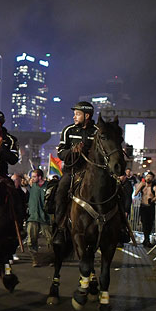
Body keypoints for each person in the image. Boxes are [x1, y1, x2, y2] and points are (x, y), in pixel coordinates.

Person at [52, 101, 97, 246]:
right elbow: (60, 152)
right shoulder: (68, 130)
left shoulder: (97, 131)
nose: (74, 116)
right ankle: (59, 228)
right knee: (60, 192)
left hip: (92, 173)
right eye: (74, 114)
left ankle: (120, 227)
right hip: (72, 171)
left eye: (77, 114)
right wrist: (72, 151)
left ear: (87, 115)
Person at [27, 168, 52, 254]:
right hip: (33, 217)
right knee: (31, 240)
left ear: (40, 177)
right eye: (32, 177)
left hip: (45, 217)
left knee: (50, 239)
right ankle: (36, 258)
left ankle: (52, 258)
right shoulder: (32, 185)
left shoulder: (48, 186)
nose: (32, 178)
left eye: (34, 177)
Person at [133, 171, 156, 247]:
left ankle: (147, 240)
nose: (148, 178)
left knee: (149, 224)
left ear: (153, 178)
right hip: (143, 206)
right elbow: (135, 193)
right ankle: (146, 240)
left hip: (150, 207)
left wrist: (153, 200)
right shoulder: (143, 185)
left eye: (150, 177)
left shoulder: (154, 187)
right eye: (147, 176)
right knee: (144, 223)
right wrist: (140, 185)